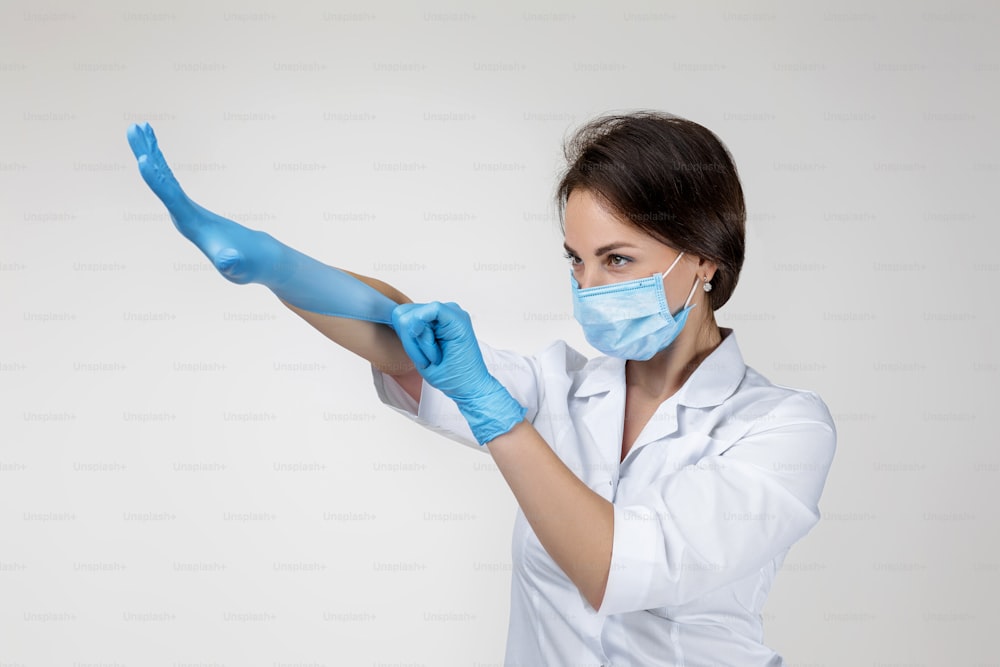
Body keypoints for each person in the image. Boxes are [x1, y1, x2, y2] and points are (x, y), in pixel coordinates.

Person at [127, 111, 836, 666]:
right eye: (577, 260)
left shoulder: (779, 429)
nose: (589, 286)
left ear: (706, 258)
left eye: (618, 259)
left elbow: (617, 569)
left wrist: (498, 416)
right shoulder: (563, 386)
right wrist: (271, 263)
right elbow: (400, 336)